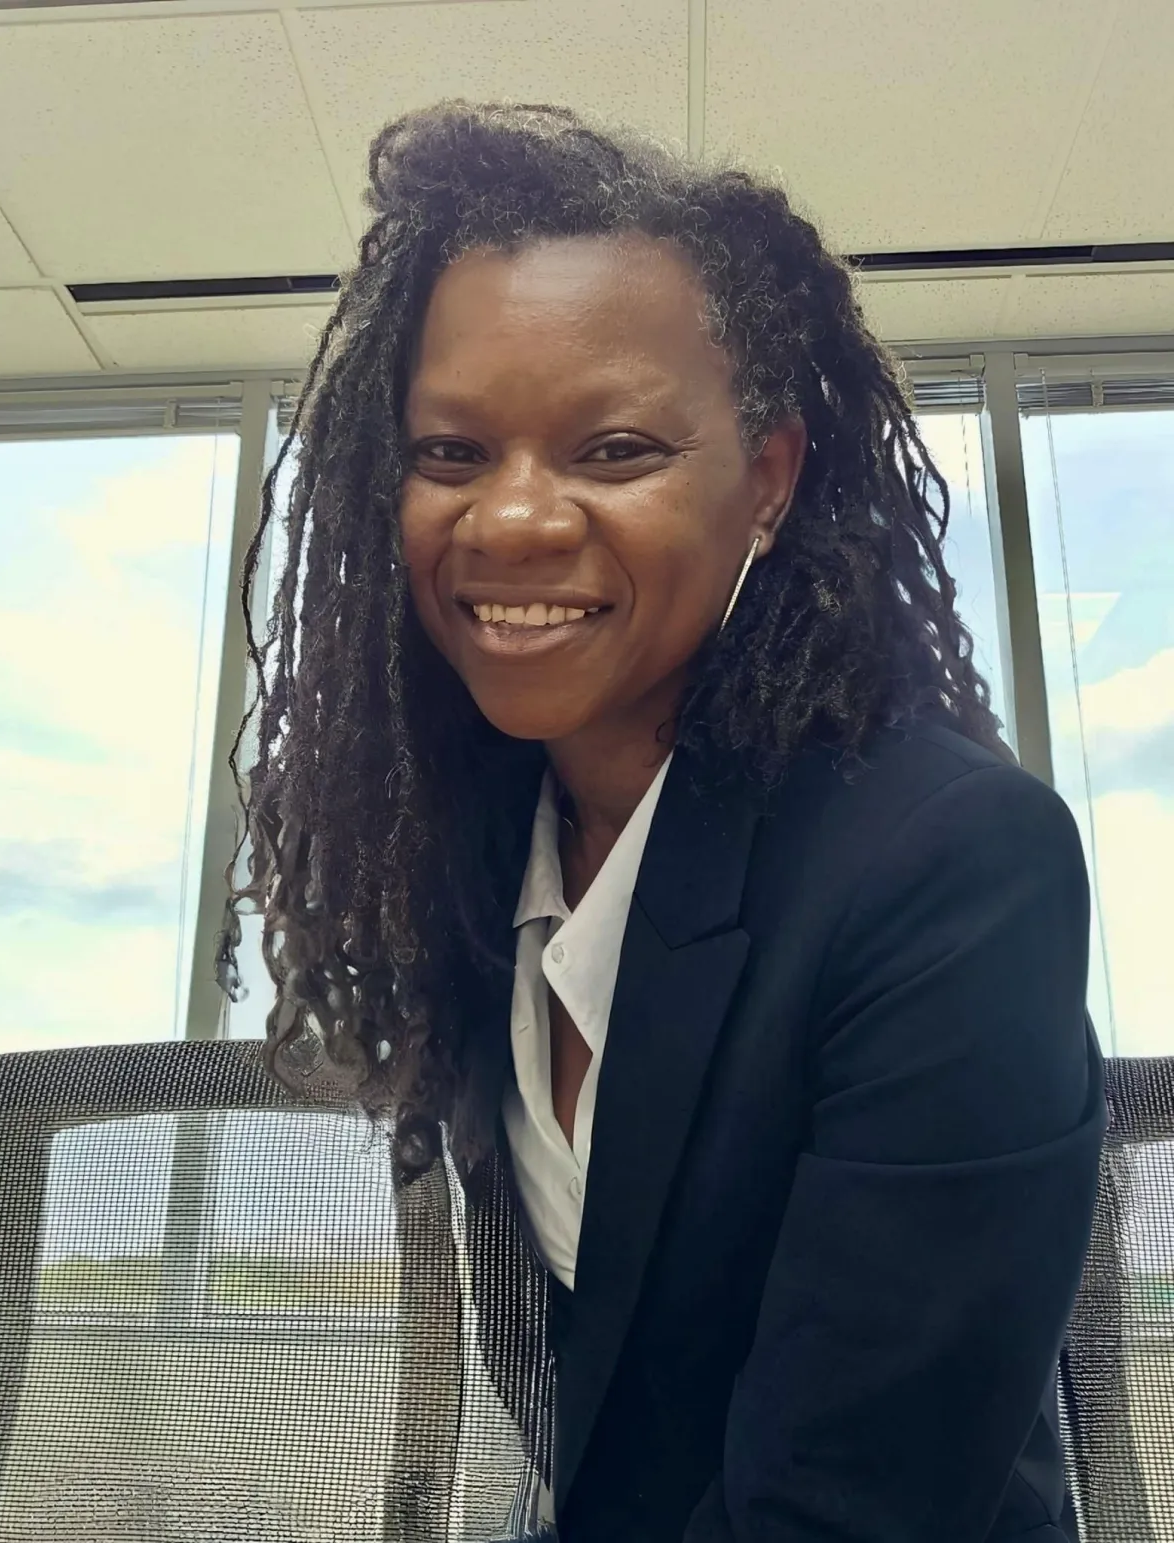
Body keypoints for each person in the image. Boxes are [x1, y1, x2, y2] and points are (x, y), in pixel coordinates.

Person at [231, 102, 1105, 1543]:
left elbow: (851, 1506)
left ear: (767, 479)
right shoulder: (469, 844)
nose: (512, 520)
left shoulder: (953, 866)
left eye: (616, 448)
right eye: (452, 451)